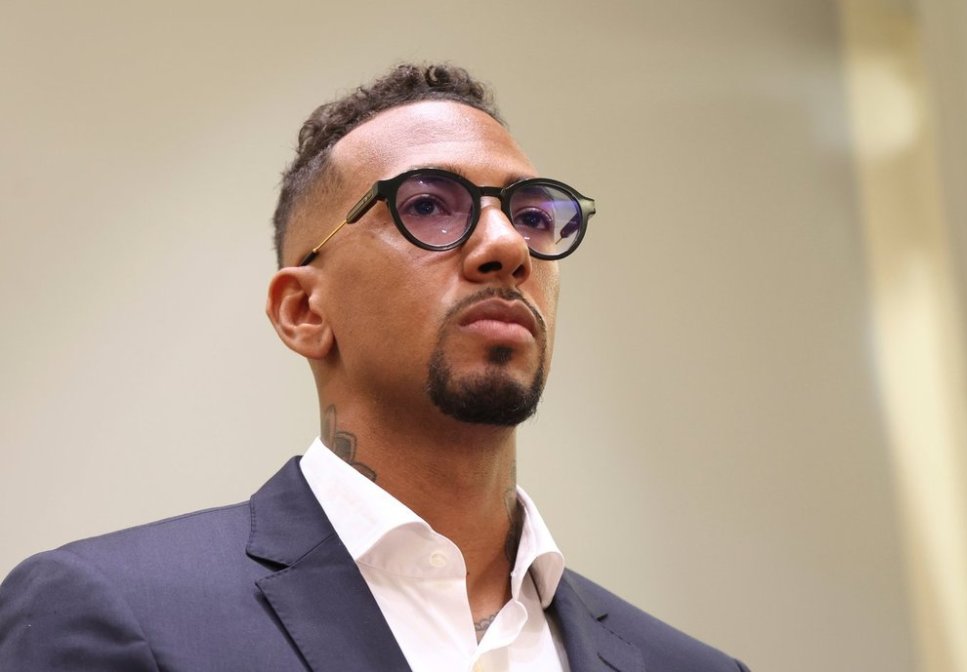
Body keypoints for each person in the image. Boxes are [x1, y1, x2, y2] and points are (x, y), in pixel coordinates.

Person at [0, 63, 749, 671]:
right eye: (428, 205)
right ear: (303, 311)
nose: (509, 247)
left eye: (532, 215)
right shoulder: (114, 611)